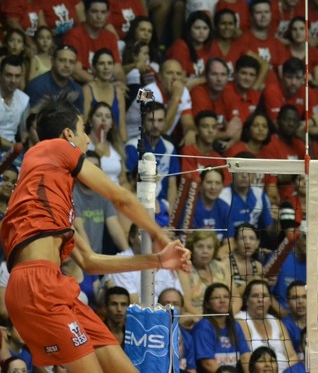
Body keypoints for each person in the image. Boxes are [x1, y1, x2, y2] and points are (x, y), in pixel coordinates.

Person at [0, 96, 191, 371]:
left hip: (50, 283)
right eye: (83, 131)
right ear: (68, 135)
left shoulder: (51, 198)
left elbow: (90, 262)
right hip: (37, 284)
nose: (88, 141)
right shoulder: (52, 148)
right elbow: (119, 197)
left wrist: (158, 260)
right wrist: (158, 232)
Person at [192, 282, 252, 372]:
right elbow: (207, 363)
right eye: (216, 297)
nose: (222, 300)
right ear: (207, 304)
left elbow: (245, 356)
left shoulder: (235, 325)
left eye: (226, 297)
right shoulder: (203, 327)